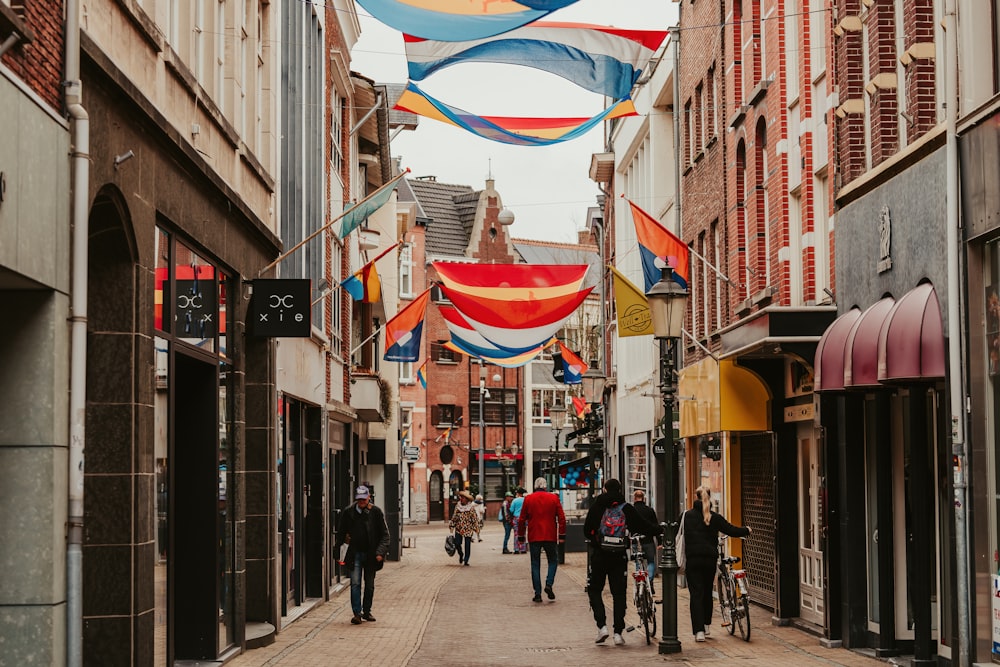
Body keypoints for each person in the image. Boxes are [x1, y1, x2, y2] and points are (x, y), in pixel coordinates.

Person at [584, 478, 662, 646]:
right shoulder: (626, 508)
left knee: (595, 590)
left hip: (599, 555)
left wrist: (595, 540)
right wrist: (661, 529)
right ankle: (618, 633)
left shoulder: (597, 506)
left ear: (604, 489)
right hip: (619, 556)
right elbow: (643, 526)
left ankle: (602, 626)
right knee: (618, 594)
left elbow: (586, 530)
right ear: (620, 490)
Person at [683, 485, 751, 642]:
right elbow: (731, 530)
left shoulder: (686, 516)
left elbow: (674, 531)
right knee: (707, 593)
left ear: (696, 496)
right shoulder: (714, 517)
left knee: (696, 595)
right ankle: (706, 625)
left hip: (693, 560)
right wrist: (746, 530)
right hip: (709, 560)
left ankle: (698, 631)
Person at [335, 485, 390, 625]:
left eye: (364, 499)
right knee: (355, 583)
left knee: (370, 585)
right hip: (355, 554)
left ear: (369, 497)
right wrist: (338, 553)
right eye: (359, 499)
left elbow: (385, 535)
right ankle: (357, 613)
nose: (361, 502)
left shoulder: (376, 512)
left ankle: (366, 611)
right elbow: (341, 533)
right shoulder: (348, 512)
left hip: (371, 554)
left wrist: (380, 552)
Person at [516, 477, 567, 603]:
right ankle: (549, 583)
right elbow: (562, 518)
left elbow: (521, 519)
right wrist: (561, 535)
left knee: (535, 564)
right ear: (545, 486)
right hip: (550, 535)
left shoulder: (528, 499)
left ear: (535, 486)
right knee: (553, 561)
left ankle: (537, 593)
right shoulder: (554, 498)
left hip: (534, 536)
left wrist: (521, 536)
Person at [632, 489, 660, 596]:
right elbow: (655, 526)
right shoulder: (650, 510)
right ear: (643, 498)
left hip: (636, 541)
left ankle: (640, 581)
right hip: (648, 540)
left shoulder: (632, 510)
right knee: (651, 562)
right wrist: (659, 541)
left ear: (634, 498)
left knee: (638, 562)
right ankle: (649, 580)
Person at [449, 490, 480, 566]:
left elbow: (474, 518)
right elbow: (454, 516)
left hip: (468, 528)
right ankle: (461, 554)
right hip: (459, 528)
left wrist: (476, 528)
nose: (461, 499)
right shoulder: (458, 506)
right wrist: (452, 525)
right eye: (461, 497)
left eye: (463, 498)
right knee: (457, 543)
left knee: (467, 544)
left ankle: (466, 560)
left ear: (467, 499)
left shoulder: (471, 508)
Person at [510, 488, 527, 554]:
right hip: (524, 518)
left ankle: (516, 549)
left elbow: (511, 510)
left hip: (516, 518)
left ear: (518, 493)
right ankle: (523, 548)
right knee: (523, 533)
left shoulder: (515, 500)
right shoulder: (525, 500)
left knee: (516, 533)